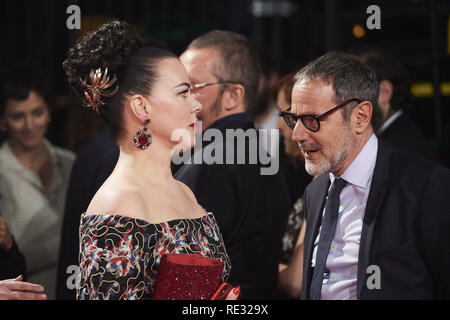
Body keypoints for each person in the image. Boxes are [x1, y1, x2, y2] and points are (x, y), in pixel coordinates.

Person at [63, 20, 238, 300]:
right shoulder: (117, 207)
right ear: (141, 107)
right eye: (183, 92)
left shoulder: (185, 192)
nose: (196, 105)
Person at [281, 51, 450, 299]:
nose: (297, 135)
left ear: (360, 117)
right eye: (293, 119)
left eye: (311, 120)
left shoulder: (426, 186)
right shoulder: (315, 192)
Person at [175, 30, 291, 299]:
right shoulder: (262, 154)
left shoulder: (211, 162)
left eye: (191, 86)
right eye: (177, 88)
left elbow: (184, 272)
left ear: (233, 95)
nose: (182, 97)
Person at [0, 64, 75, 299]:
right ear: (3, 120)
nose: (29, 125)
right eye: (18, 116)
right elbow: (10, 251)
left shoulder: (71, 162)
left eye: (37, 112)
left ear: (49, 112)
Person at [348, 45, 438, 161]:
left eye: (352, 90)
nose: (344, 102)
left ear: (384, 92)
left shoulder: (398, 150)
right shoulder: (398, 140)